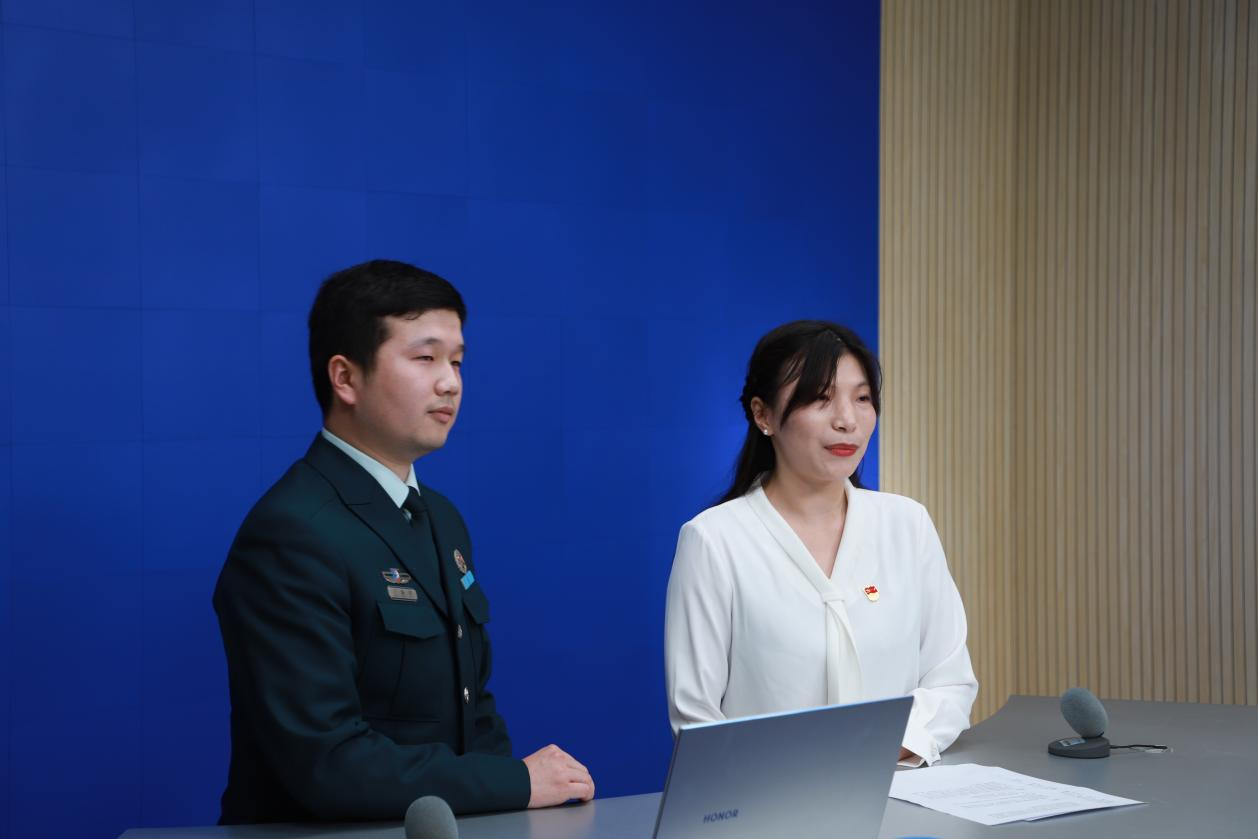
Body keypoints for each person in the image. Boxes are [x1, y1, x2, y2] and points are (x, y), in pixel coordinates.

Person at [214, 260, 594, 823]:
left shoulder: (440, 517)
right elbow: (327, 763)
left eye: (457, 361)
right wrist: (516, 782)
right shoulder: (290, 533)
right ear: (345, 378)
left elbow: (475, 714)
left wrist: (511, 814)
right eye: (425, 358)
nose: (451, 382)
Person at [663, 320, 977, 766]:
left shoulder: (907, 524)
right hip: (768, 798)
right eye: (820, 398)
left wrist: (869, 754)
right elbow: (696, 720)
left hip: (900, 789)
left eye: (862, 398)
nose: (847, 420)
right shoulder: (714, 541)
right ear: (763, 415)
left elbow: (950, 681)